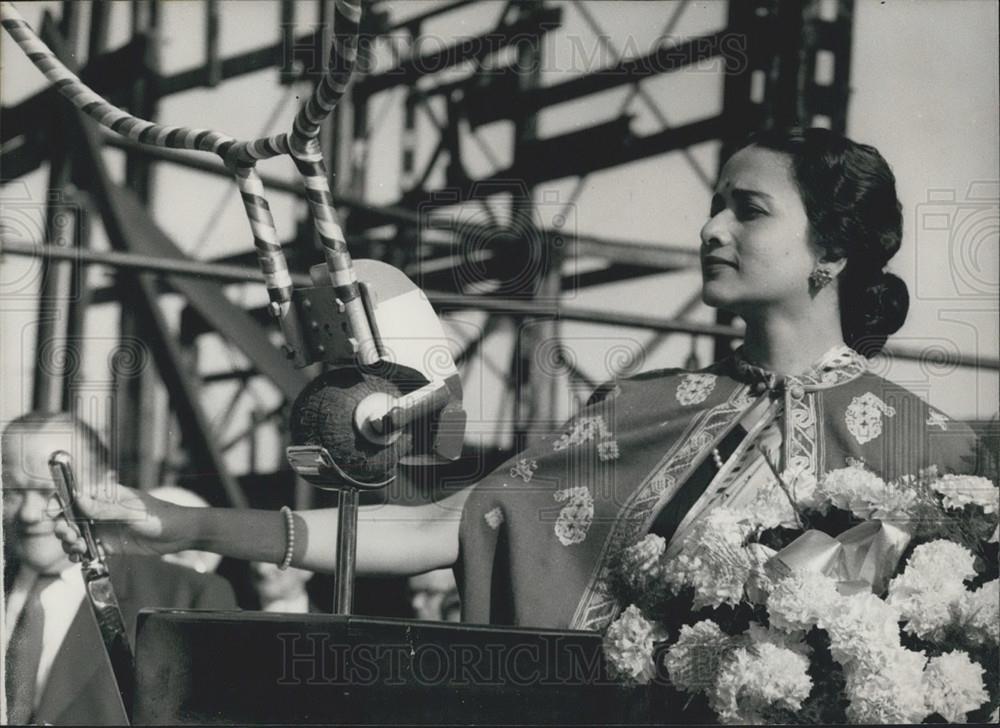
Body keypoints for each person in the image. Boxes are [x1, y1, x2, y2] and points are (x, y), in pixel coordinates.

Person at [54, 128, 983, 633]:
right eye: (711, 206)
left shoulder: (934, 450)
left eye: (746, 211)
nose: (709, 231)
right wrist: (182, 524)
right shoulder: (642, 408)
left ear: (832, 252)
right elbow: (437, 526)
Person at [2, 412, 238, 725]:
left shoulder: (185, 599)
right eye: (11, 492)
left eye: (50, 492)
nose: (30, 514)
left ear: (106, 488)